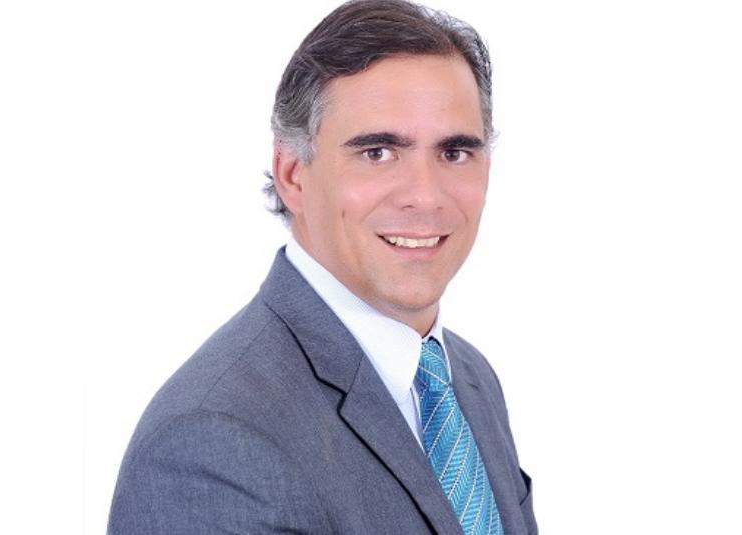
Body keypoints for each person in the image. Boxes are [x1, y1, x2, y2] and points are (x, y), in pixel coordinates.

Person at [107, 0, 536, 533]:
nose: (426, 196)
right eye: (378, 152)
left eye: (453, 153)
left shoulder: (467, 380)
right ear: (292, 174)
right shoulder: (211, 442)